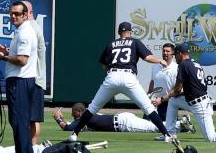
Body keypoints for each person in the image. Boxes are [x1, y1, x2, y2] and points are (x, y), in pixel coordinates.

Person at [66, 21, 174, 141]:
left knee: (93, 108)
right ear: (130, 32)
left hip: (112, 76)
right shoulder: (134, 42)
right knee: (148, 108)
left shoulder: (111, 44)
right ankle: (167, 135)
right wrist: (160, 60)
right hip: (128, 77)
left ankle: (74, 134)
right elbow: (147, 57)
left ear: (119, 32)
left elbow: (104, 65)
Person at [151, 43, 216, 142]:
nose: (174, 57)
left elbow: (177, 90)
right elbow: (189, 89)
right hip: (195, 100)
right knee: (173, 100)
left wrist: (163, 99)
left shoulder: (183, 65)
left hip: (200, 105)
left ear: (180, 54)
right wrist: (170, 96)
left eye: (175, 55)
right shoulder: (194, 63)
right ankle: (170, 134)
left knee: (211, 138)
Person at [0, 1, 39, 153]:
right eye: (11, 13)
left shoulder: (25, 32)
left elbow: (22, 60)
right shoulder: (21, 31)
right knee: (19, 120)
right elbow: (18, 56)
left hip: (20, 81)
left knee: (18, 120)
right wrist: (6, 52)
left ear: (25, 15)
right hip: (22, 80)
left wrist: (2, 57)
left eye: (17, 14)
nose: (13, 16)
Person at [53, 103, 195, 135]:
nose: (72, 115)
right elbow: (73, 125)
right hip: (122, 118)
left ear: (79, 112)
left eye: (73, 113)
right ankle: (183, 126)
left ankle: (180, 123)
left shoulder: (85, 117)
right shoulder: (87, 116)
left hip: (123, 123)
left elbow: (69, 128)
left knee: (153, 128)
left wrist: (58, 119)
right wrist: (64, 119)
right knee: (152, 125)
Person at [19, 0, 47, 146]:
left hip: (33, 79)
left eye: (21, 12)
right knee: (30, 117)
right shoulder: (33, 26)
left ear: (28, 13)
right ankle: (30, 146)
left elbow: (24, 57)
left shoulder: (29, 27)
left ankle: (33, 146)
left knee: (31, 117)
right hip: (36, 78)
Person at [148, 43, 178, 121]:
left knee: (167, 126)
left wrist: (162, 99)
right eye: (164, 51)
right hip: (153, 102)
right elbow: (152, 81)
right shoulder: (155, 66)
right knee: (146, 124)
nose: (165, 53)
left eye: (167, 51)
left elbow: (176, 88)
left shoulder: (176, 68)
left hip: (168, 102)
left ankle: (183, 124)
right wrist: (149, 94)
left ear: (173, 54)